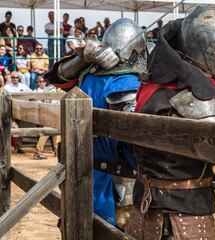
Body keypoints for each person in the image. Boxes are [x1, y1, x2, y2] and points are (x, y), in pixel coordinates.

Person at [125, 7, 215, 239]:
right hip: (183, 221)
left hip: (143, 212)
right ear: (198, 47)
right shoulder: (200, 100)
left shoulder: (150, 87)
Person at [45, 18, 146, 228]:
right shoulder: (128, 82)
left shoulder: (86, 75)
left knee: (81, 223)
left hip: (81, 167)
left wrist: (83, 57)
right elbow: (133, 142)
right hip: (117, 179)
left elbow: (58, 76)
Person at [33, 76, 60, 160]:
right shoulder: (49, 89)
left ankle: (57, 150)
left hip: (54, 112)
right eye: (40, 81)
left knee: (56, 132)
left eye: (43, 81)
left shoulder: (52, 89)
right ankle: (38, 151)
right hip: (48, 113)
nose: (42, 83)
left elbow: (55, 102)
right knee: (47, 132)